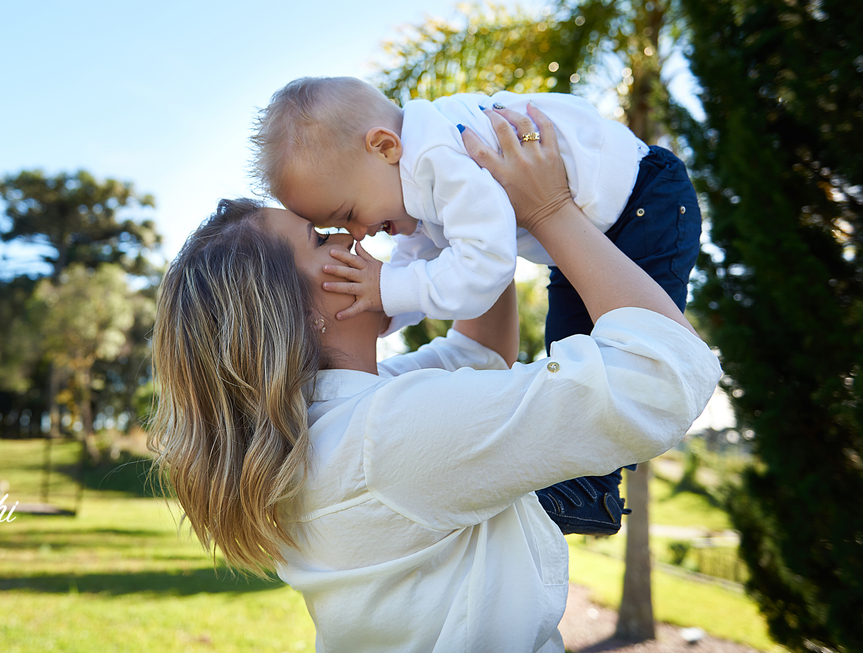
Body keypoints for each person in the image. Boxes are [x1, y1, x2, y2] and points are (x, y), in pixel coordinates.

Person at [150, 106, 720, 653]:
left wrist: (466, 215)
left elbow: (478, 358)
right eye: (322, 238)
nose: (355, 236)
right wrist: (550, 211)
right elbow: (661, 376)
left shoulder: (329, 428)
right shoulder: (384, 435)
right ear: (300, 313)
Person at [248, 76, 702, 535]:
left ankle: (593, 487)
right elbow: (422, 260)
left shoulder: (437, 158)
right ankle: (593, 490)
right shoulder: (416, 175)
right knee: (569, 338)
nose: (358, 234)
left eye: (346, 215)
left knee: (635, 338)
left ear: (384, 147)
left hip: (644, 202)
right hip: (598, 225)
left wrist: (388, 289)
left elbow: (484, 265)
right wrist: (391, 307)